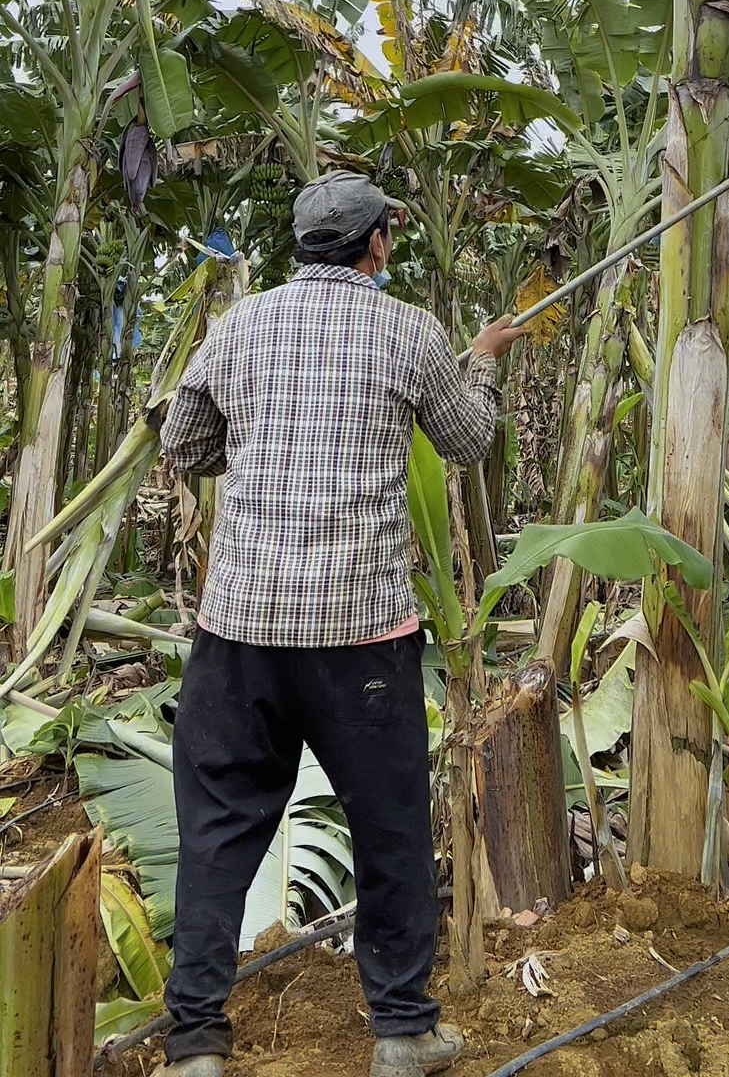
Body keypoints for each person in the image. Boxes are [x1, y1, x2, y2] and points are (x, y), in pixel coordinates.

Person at [153, 172, 523, 1077]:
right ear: (377, 245)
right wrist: (481, 359)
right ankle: (401, 1034)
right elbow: (470, 439)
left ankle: (194, 1043)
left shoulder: (239, 326)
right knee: (389, 830)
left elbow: (185, 446)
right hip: (361, 637)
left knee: (217, 833)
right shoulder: (408, 331)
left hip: (240, 632)